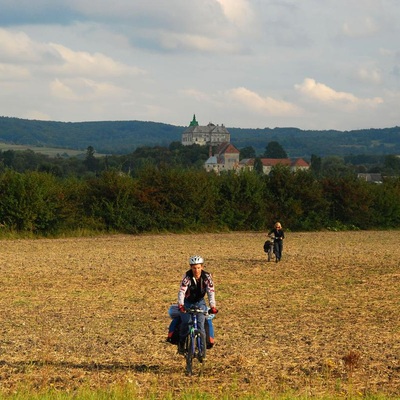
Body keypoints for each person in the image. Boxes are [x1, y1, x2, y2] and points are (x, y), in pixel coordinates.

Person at [177, 255, 218, 354]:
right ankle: (181, 344)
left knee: (201, 325)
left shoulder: (207, 277)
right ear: (191, 267)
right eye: (194, 268)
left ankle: (202, 352)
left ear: (202, 267)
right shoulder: (187, 277)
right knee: (186, 322)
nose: (196, 270)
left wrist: (213, 306)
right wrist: (181, 305)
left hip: (200, 302)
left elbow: (210, 292)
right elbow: (182, 292)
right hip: (187, 302)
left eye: (198, 268)